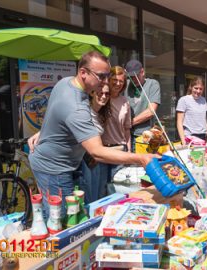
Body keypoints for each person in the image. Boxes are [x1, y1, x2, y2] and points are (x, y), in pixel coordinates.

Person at [28, 51, 156, 218]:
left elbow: (57, 113)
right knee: (64, 221)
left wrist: (43, 131)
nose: (105, 82)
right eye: (101, 76)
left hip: (58, 164)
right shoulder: (76, 107)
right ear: (83, 73)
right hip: (54, 169)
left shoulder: (66, 83)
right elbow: (97, 152)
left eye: (107, 76)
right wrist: (141, 158)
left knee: (69, 215)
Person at [99, 66, 132, 188]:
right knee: (100, 189)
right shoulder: (101, 97)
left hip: (119, 149)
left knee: (116, 188)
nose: (118, 83)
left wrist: (129, 152)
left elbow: (126, 129)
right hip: (101, 150)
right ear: (109, 79)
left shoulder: (125, 102)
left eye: (121, 81)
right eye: (115, 80)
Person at [79, 83, 110, 204]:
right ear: (92, 93)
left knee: (98, 198)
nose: (104, 96)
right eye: (100, 93)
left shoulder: (101, 113)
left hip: (96, 161)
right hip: (84, 161)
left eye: (107, 94)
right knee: (89, 199)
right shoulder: (84, 111)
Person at [124, 60, 161, 151]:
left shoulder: (152, 84)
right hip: (125, 135)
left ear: (142, 72)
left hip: (144, 136)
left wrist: (130, 123)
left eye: (136, 75)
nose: (133, 79)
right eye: (131, 76)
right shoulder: (125, 85)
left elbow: (151, 111)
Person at [176, 76, 207, 145]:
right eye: (196, 88)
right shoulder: (183, 100)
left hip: (203, 137)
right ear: (191, 87)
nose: (198, 91)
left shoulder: (203, 100)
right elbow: (179, 122)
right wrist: (183, 141)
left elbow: (205, 121)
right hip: (190, 137)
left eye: (201, 89)